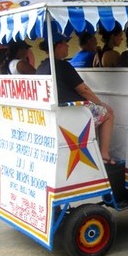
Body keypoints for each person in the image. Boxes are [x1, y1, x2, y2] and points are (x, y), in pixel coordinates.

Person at [36, 32, 116, 164]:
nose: (68, 46)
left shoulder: (41, 67)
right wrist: (100, 103)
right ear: (58, 46)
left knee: (94, 111)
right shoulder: (62, 65)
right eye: (65, 43)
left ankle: (94, 150)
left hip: (58, 113)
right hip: (73, 113)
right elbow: (84, 90)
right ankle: (104, 156)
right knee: (108, 113)